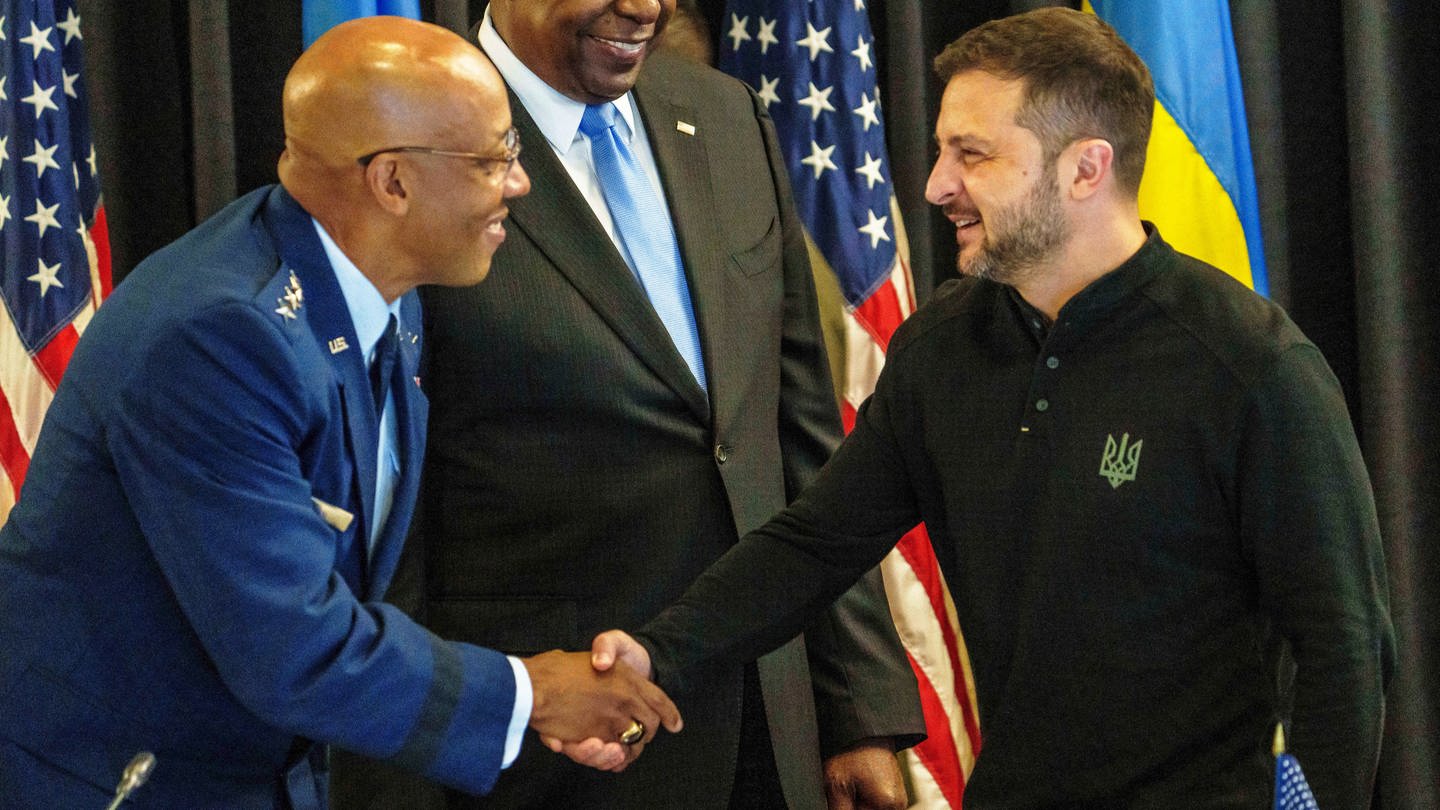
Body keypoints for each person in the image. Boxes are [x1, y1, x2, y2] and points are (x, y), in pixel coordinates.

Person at [594, 8, 1396, 808]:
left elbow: (1342, 650)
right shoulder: (940, 349)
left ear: (1086, 169)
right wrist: (657, 657)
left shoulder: (1253, 367)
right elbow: (812, 548)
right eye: (943, 148)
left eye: (971, 155)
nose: (938, 184)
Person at [0, 17, 680, 809]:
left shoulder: (377, 286)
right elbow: (292, 645)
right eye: (496, 158)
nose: (519, 184)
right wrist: (530, 694)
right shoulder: (219, 340)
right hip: (122, 781)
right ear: (392, 182)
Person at [331, 1, 926, 809]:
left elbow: (799, 439)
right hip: (549, 763)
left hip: (772, 733)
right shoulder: (408, 147)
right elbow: (381, 523)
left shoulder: (721, 113)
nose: (648, 5)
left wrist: (857, 711)